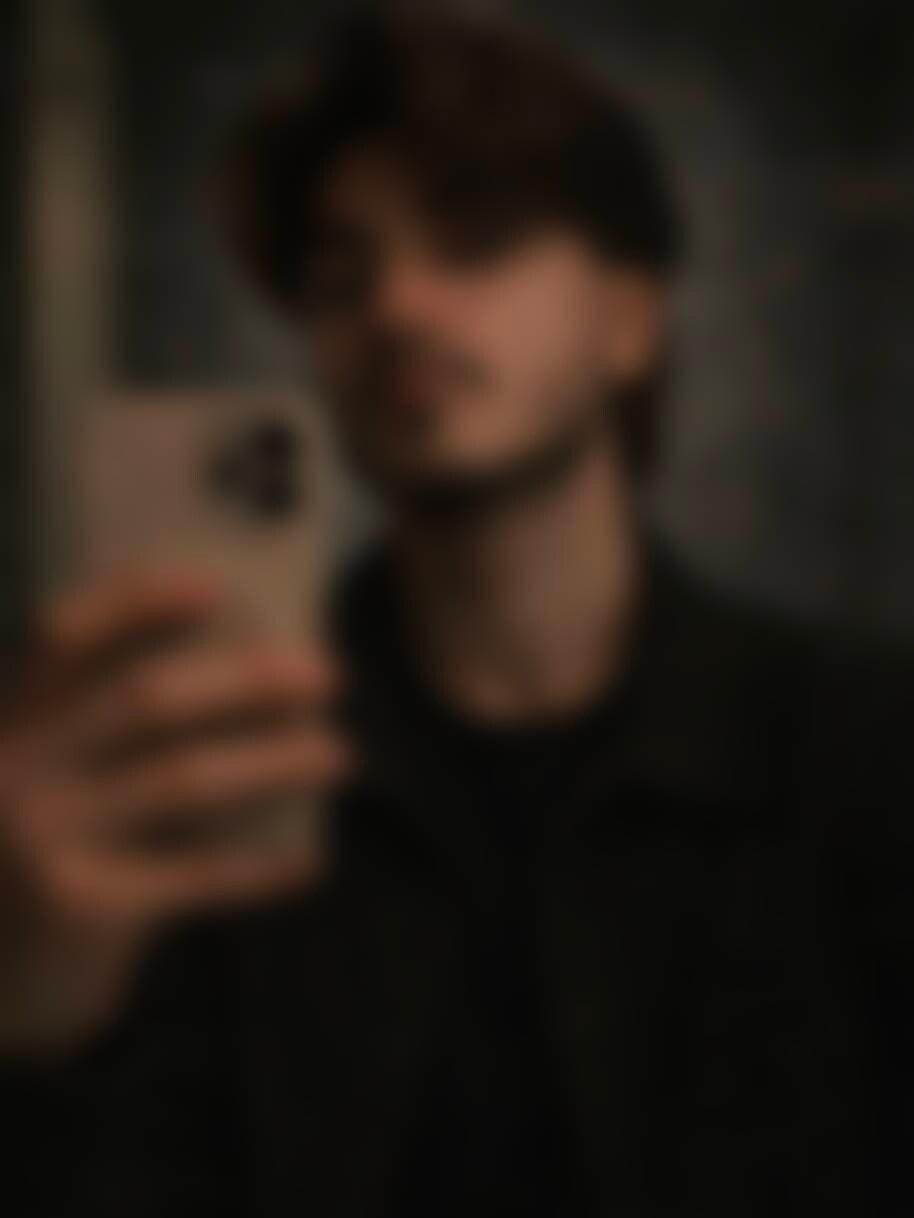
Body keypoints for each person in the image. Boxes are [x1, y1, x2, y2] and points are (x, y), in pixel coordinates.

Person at [1, 7, 911, 1216]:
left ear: (628, 319)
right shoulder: (217, 775)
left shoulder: (863, 757)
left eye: (474, 242)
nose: (394, 306)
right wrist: (29, 1031)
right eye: (339, 274)